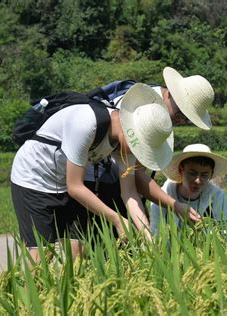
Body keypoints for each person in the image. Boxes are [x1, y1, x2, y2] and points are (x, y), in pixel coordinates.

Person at [11, 83, 174, 262]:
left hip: (64, 179)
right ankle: (30, 289)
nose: (138, 153)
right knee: (41, 256)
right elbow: (75, 187)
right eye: (140, 147)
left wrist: (147, 235)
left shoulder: (125, 146)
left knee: (78, 249)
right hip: (35, 179)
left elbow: (129, 193)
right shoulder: (86, 124)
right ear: (131, 131)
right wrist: (117, 220)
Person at [83, 66, 215, 229]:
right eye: (181, 114)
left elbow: (133, 176)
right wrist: (174, 205)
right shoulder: (138, 108)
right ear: (170, 94)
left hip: (118, 181)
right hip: (94, 178)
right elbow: (134, 175)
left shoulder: (161, 114)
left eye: (188, 119)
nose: (181, 122)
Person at [150, 144, 227, 235]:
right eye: (192, 173)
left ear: (211, 174)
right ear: (181, 170)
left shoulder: (217, 197)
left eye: (204, 175)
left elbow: (224, 233)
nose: (198, 180)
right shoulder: (162, 196)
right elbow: (156, 232)